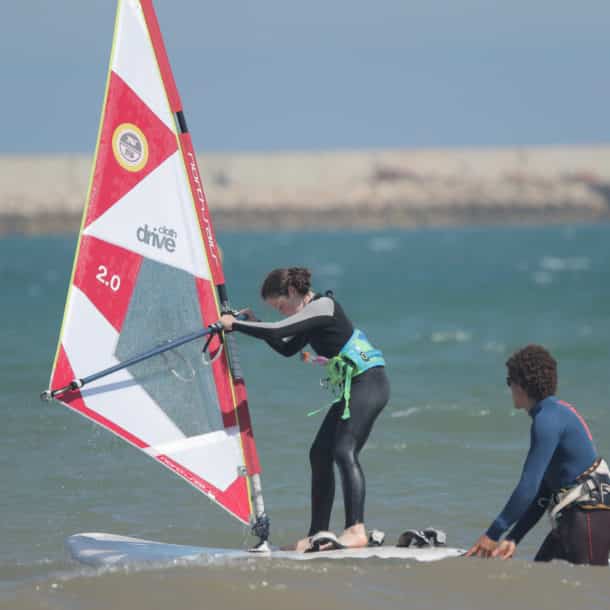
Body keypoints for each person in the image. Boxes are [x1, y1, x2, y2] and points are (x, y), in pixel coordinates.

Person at [220, 267, 390, 552]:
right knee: (319, 453)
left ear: (291, 292)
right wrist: (254, 322)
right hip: (354, 387)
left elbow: (279, 329)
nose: (284, 313)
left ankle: (356, 529)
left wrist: (234, 325)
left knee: (343, 450)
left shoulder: (323, 306)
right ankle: (317, 533)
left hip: (370, 382)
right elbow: (286, 347)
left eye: (281, 306)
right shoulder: (309, 315)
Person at [467, 344, 610, 566]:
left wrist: (493, 534)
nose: (509, 388)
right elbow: (543, 492)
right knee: (538, 586)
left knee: (587, 590)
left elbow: (528, 487)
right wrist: (514, 537)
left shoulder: (546, 420)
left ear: (521, 386)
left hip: (588, 519)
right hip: (577, 519)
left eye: (509, 382)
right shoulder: (555, 413)